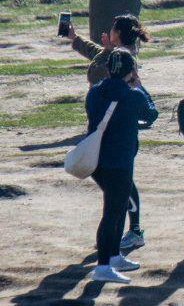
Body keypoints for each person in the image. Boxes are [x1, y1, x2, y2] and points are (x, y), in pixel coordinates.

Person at [63, 14, 155, 252]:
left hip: (116, 134)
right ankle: (123, 236)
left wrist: (103, 51)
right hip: (117, 132)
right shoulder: (121, 53)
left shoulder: (121, 57)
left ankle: (132, 232)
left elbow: (96, 71)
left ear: (118, 33)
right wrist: (76, 39)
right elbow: (99, 54)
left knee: (122, 189)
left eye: (112, 28)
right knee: (120, 186)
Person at [85, 49, 159, 284]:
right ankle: (103, 266)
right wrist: (139, 86)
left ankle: (114, 256)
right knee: (112, 214)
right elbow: (151, 114)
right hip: (120, 163)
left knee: (114, 210)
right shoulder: (132, 95)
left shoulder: (95, 93)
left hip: (98, 162)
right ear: (132, 71)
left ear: (107, 69)